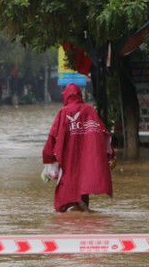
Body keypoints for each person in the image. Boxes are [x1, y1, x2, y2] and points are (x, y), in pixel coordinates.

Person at [42, 83, 115, 212]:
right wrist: (110, 154)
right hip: (87, 158)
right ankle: (82, 211)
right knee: (83, 186)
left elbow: (53, 137)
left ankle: (73, 215)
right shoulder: (90, 110)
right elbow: (104, 133)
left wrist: (49, 158)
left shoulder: (63, 112)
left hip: (68, 158)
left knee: (64, 196)